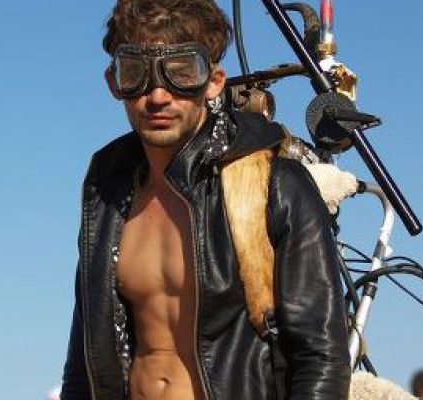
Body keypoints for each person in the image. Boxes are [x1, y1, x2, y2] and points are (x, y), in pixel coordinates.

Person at [60, 1, 351, 399]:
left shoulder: (274, 185)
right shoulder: (106, 193)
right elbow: (84, 364)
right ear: (113, 82)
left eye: (181, 73)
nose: (157, 95)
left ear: (213, 81)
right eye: (136, 74)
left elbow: (321, 357)